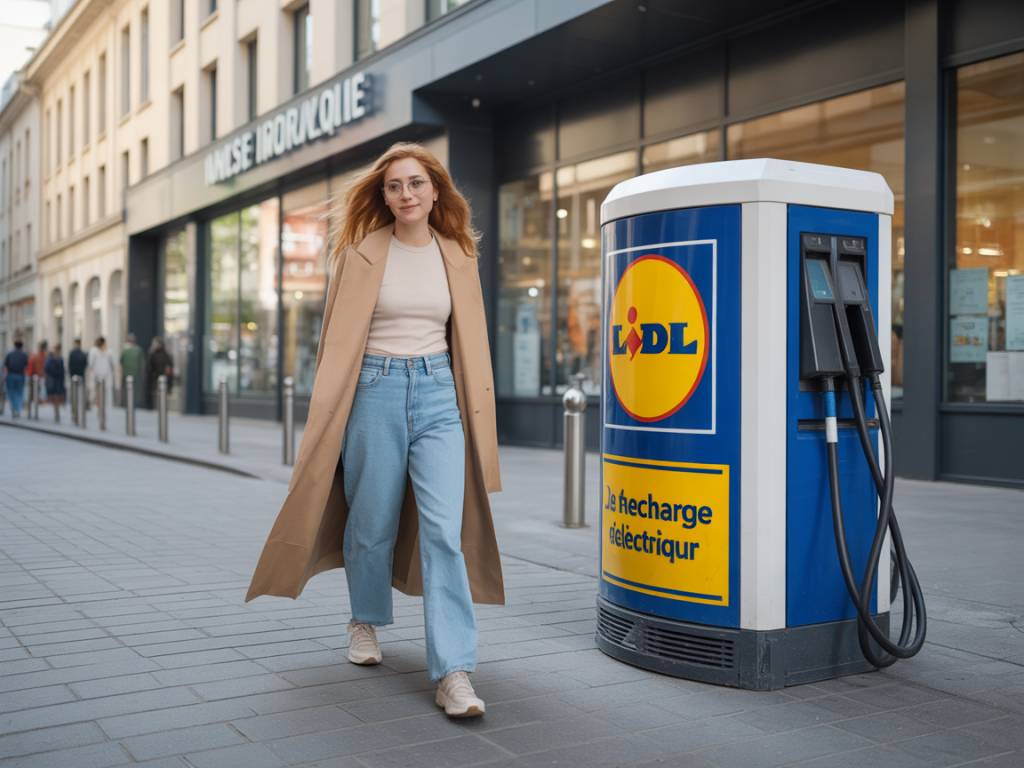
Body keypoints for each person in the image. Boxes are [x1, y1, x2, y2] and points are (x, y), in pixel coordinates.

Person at [245, 143, 503, 719]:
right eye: (394, 186)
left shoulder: (458, 253)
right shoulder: (359, 254)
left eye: (416, 183)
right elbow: (335, 343)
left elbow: (471, 344)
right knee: (370, 520)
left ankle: (455, 671)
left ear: (436, 190)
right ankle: (365, 619)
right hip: (375, 390)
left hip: (439, 395)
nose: (406, 194)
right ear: (383, 196)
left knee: (445, 531)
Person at [86, 336, 115, 409]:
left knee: (100, 392)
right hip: (98, 375)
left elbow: (112, 363)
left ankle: (100, 406)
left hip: (104, 375)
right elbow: (90, 364)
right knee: (96, 392)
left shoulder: (108, 351)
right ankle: (96, 405)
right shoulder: (95, 351)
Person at [2, 339, 29, 417]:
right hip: (20, 375)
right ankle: (17, 409)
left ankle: (14, 408)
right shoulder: (24, 355)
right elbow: (26, 365)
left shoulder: (9, 354)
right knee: (19, 393)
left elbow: (5, 365)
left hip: (11, 375)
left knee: (11, 393)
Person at [146, 337, 173, 409]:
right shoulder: (153, 354)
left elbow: (169, 369)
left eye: (156, 344)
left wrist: (169, 385)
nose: (155, 346)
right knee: (156, 397)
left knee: (162, 397)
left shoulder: (166, 355)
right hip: (155, 380)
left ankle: (162, 409)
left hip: (162, 380)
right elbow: (149, 368)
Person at [119, 332, 144, 407]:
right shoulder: (139, 350)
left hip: (126, 374)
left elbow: (121, 361)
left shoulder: (125, 350)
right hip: (136, 375)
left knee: (127, 391)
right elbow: (142, 364)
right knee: (135, 392)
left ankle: (127, 404)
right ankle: (135, 404)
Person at [45, 344, 67, 418]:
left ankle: (56, 412)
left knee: (56, 396)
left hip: (55, 380)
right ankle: (56, 412)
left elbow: (47, 369)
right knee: (55, 396)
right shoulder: (57, 359)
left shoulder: (55, 359)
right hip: (56, 380)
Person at [68, 338, 88, 409]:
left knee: (74, 393)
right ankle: (80, 407)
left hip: (73, 375)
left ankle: (74, 408)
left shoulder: (72, 353)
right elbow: (85, 364)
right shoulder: (83, 353)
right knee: (80, 393)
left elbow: (69, 365)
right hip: (81, 375)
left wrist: (70, 375)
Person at [26, 340, 48, 406]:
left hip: (35, 375)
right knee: (34, 390)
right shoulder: (40, 355)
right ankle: (30, 404)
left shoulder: (38, 355)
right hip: (37, 375)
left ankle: (31, 404)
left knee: (34, 391)